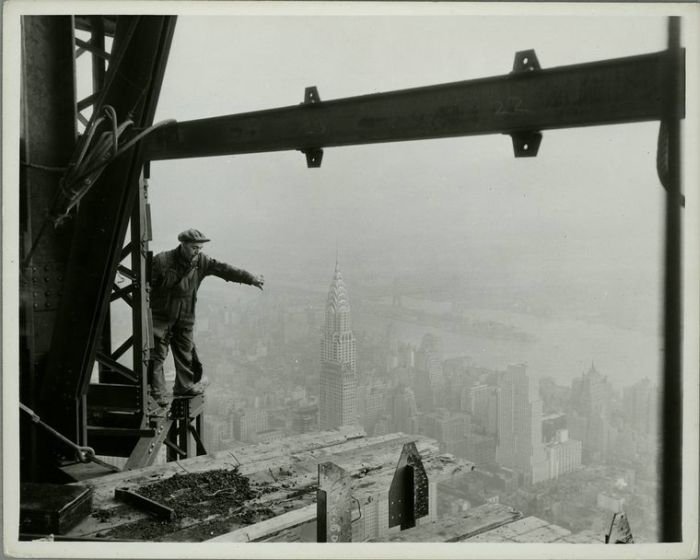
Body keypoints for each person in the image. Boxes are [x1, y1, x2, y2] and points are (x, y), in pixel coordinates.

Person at [149, 228, 264, 406]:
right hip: (161, 316)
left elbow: (225, 270)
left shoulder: (201, 261)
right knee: (157, 355)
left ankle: (184, 387)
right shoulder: (163, 260)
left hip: (185, 316)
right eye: (194, 247)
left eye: (200, 248)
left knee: (185, 353)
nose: (198, 251)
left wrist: (251, 278)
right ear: (183, 245)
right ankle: (157, 393)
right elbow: (146, 285)